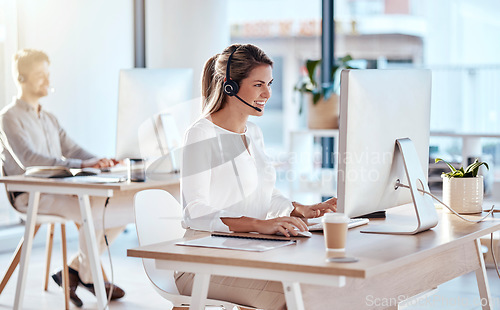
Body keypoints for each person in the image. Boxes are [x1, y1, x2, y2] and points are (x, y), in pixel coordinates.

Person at [177, 44, 337, 310]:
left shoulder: (253, 133)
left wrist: (299, 209)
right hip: (204, 263)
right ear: (230, 87)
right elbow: (193, 211)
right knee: (295, 296)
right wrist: (257, 225)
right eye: (258, 85)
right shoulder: (201, 134)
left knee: (321, 285)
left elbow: (265, 193)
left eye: (269, 84)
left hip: (249, 252)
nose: (267, 93)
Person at [0, 49, 127, 307]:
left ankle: (74, 271)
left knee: (117, 210)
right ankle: (88, 277)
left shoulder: (48, 118)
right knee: (92, 212)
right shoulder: (9, 117)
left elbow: (73, 150)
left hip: (58, 189)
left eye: (48, 74)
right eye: (40, 75)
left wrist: (102, 161)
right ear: (21, 78)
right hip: (30, 195)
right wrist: (82, 164)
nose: (48, 81)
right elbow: (29, 159)